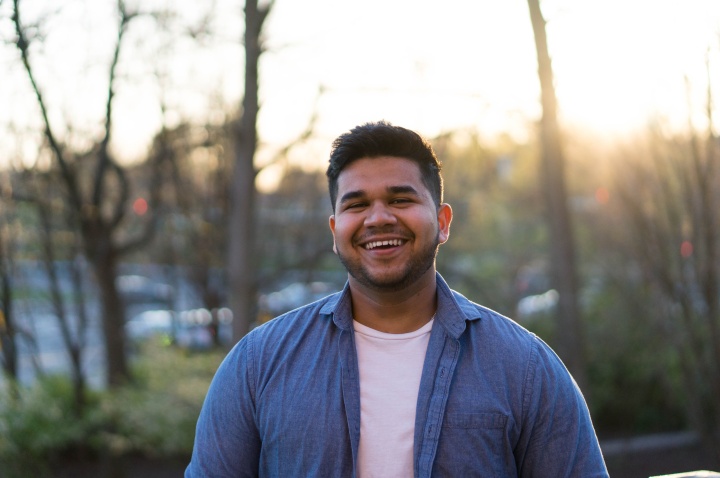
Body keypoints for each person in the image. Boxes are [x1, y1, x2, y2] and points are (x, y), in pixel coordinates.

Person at [186, 121, 609, 477]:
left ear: (442, 222)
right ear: (335, 230)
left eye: (400, 199)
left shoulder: (525, 369)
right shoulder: (257, 365)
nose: (378, 217)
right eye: (357, 204)